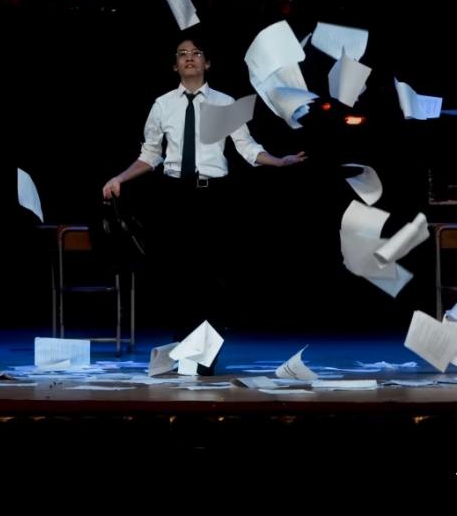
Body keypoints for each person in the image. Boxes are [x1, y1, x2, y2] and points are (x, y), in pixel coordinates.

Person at [102, 36, 305, 372]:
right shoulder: (162, 105)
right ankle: (183, 354)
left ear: (207, 63)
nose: (189, 58)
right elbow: (150, 155)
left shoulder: (225, 103)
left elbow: (247, 147)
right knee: (178, 278)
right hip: (175, 197)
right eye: (182, 54)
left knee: (211, 279)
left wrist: (278, 161)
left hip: (213, 197)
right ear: (174, 65)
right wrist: (119, 178)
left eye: (196, 53)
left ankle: (205, 358)